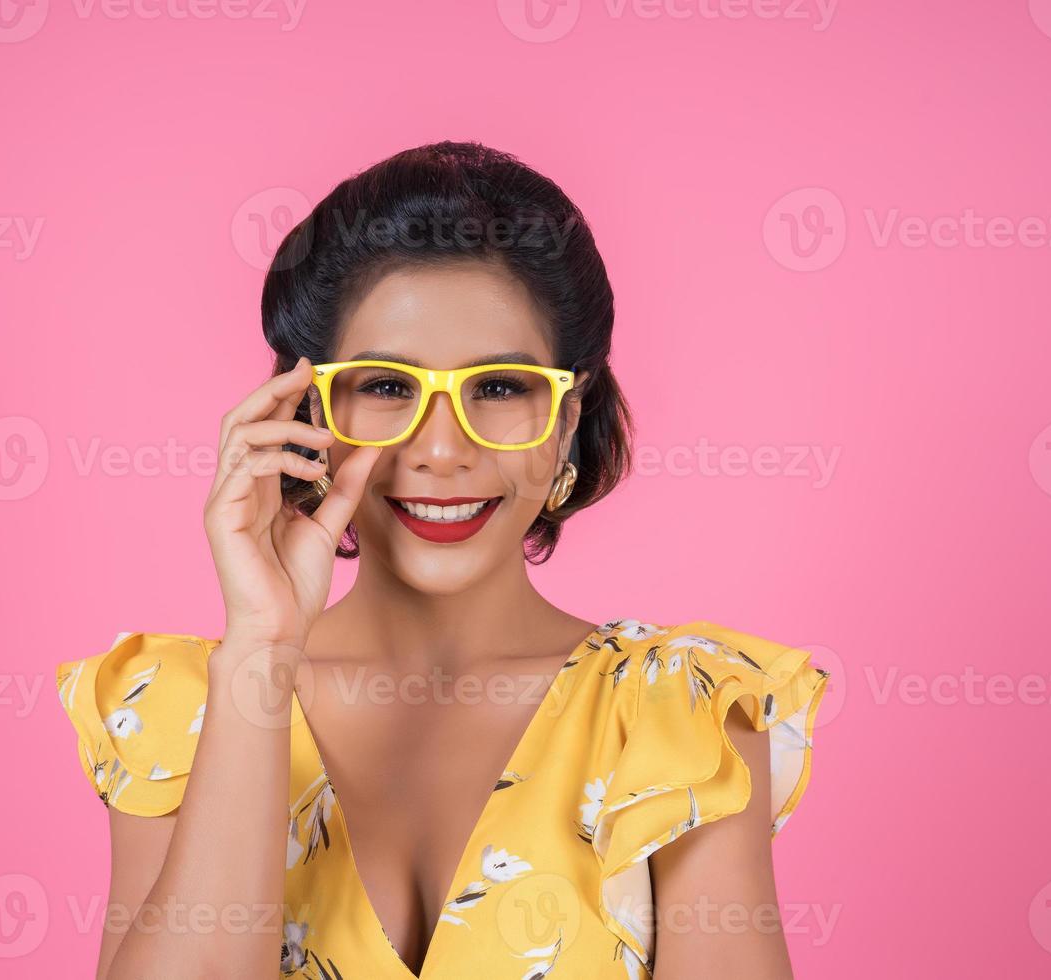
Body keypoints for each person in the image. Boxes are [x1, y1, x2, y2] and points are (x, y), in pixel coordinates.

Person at [57, 141, 830, 979]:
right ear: (308, 410)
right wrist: (261, 647)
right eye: (387, 386)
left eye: (499, 387)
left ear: (569, 419)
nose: (441, 450)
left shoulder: (680, 714)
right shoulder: (176, 713)